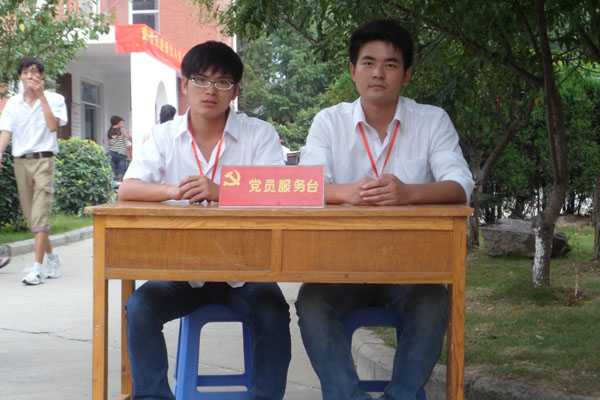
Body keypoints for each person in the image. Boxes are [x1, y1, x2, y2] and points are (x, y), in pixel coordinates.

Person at [295, 19, 474, 400]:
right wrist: (347, 193)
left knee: (432, 302)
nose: (378, 73)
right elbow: (306, 186)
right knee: (311, 300)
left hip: (410, 266)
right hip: (341, 265)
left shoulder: (432, 121)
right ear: (353, 70)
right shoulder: (328, 122)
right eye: (368, 62)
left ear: (406, 74)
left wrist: (409, 193)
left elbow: (461, 185)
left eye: (390, 64)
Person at [118, 41, 291, 400]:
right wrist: (175, 190)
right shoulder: (164, 136)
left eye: (222, 82)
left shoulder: (259, 134)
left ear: (235, 91)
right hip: (182, 269)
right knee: (140, 307)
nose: (210, 90)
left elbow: (280, 191)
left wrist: (221, 191)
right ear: (185, 85)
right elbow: (128, 189)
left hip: (246, 269)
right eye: (200, 80)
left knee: (274, 311)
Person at [0, 56, 67, 285]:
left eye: (35, 72)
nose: (31, 76)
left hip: (44, 161)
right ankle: (52, 256)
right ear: (20, 76)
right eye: (26, 72)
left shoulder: (55, 99)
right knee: (32, 218)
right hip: (20, 162)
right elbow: (6, 131)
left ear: (42, 75)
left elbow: (53, 126)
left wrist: (41, 97)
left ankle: (37, 269)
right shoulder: (13, 103)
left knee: (39, 215)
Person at [106, 115, 131, 182]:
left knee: (112, 173)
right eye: (122, 122)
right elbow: (130, 138)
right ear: (118, 123)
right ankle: (119, 186)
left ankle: (113, 186)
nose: (123, 124)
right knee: (121, 174)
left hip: (111, 153)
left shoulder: (109, 131)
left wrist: (114, 141)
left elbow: (108, 143)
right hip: (121, 154)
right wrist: (124, 134)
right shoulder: (122, 129)